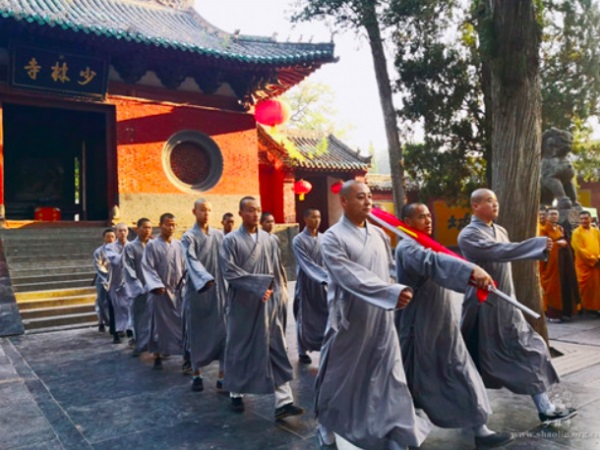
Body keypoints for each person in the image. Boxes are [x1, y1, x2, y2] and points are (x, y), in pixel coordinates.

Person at [315, 181, 431, 450]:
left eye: (369, 197)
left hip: (382, 317)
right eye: (360, 197)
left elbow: (389, 271)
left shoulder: (379, 235)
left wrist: (395, 293)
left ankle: (396, 433)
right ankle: (327, 425)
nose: (368, 202)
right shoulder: (332, 238)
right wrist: (390, 292)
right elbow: (350, 276)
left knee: (389, 375)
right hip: (350, 320)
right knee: (339, 378)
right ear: (343, 201)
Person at [396, 203, 513, 449]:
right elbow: (432, 262)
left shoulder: (426, 243)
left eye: (429, 215)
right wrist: (471, 269)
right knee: (411, 378)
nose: (428, 220)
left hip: (444, 324)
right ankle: (400, 434)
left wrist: (471, 275)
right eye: (421, 216)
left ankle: (480, 429)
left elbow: (441, 262)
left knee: (460, 370)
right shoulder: (408, 247)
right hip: (420, 326)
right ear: (407, 221)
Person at [458, 188, 576, 424]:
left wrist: (534, 248)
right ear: (475, 206)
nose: (495, 205)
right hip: (484, 308)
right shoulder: (468, 235)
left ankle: (545, 408)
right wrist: (535, 246)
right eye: (489, 201)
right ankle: (470, 414)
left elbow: (506, 252)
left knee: (532, 349)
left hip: (508, 306)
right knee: (472, 361)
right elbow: (499, 252)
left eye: (496, 200)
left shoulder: (500, 230)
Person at [219, 197, 303, 420]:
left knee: (275, 347)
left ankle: (284, 401)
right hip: (243, 305)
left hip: (269, 303)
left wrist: (278, 293)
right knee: (240, 348)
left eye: (258, 210)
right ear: (240, 213)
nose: (255, 214)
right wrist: (258, 286)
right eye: (250, 211)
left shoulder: (270, 239)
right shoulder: (230, 241)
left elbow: (276, 270)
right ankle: (236, 392)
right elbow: (229, 272)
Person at [181, 199, 227, 392]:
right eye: (202, 210)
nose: (206, 213)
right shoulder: (188, 237)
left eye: (209, 210)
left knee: (223, 333)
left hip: (219, 291)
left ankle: (222, 375)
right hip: (199, 291)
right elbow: (190, 260)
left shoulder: (219, 235)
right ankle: (197, 373)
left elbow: (227, 259)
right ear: (194, 211)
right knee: (197, 332)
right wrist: (204, 278)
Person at [142, 213, 185, 370]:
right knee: (158, 324)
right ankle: (158, 354)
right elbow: (147, 267)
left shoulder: (179, 245)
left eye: (173, 225)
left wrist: (184, 283)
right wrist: (155, 285)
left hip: (177, 290)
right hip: (159, 291)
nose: (171, 228)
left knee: (180, 322)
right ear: (160, 225)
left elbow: (184, 267)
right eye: (168, 224)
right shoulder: (152, 245)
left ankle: (181, 353)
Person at [292, 208, 328, 365]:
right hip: (307, 282)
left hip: (323, 284)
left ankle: (324, 346)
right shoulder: (298, 240)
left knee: (324, 315)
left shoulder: (324, 239)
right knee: (304, 315)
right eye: (313, 217)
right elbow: (305, 263)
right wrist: (324, 276)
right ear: (305, 219)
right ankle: (302, 350)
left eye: (319, 217)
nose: (317, 220)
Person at [539, 207, 580, 320]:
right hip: (551, 265)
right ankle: (553, 314)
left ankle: (564, 312)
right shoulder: (543, 229)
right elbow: (543, 245)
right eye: (551, 214)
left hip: (562, 263)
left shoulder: (559, 228)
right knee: (553, 287)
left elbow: (566, 241)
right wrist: (558, 244)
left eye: (556, 214)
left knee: (564, 285)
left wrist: (563, 243)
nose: (554, 216)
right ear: (547, 216)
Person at [123, 218, 153, 356]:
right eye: (144, 227)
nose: (147, 230)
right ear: (137, 229)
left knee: (154, 318)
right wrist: (138, 286)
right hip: (139, 288)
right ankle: (139, 343)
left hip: (154, 287)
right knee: (139, 317)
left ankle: (155, 345)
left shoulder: (153, 245)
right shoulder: (130, 247)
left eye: (150, 228)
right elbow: (129, 268)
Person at [260, 211, 289, 332]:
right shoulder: (259, 239)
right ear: (261, 223)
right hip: (266, 281)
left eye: (272, 221)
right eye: (267, 222)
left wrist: (284, 281)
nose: (271, 224)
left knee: (282, 311)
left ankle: (281, 341)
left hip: (278, 281)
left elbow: (279, 261)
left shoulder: (275, 238)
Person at [105, 223, 131, 344]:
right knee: (116, 307)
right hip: (115, 281)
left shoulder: (132, 245)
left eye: (124, 230)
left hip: (130, 281)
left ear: (128, 232)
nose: (122, 233)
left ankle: (130, 329)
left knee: (129, 306)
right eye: (120, 231)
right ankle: (117, 332)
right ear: (116, 233)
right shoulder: (110, 247)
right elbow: (115, 261)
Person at [571, 210, 600, 312]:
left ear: (590, 219)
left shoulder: (596, 231)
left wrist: (599, 257)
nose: (584, 221)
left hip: (597, 265)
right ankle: (583, 308)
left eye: (586, 218)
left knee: (596, 288)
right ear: (579, 220)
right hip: (584, 265)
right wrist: (593, 260)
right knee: (583, 288)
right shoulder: (576, 233)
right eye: (582, 219)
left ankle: (595, 307)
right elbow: (579, 250)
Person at [92, 229, 115, 332]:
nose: (110, 239)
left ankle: (114, 322)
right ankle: (102, 321)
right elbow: (98, 266)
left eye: (112, 237)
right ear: (104, 238)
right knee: (102, 301)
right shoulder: (99, 251)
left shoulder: (119, 249)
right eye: (108, 237)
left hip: (116, 278)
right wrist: (107, 276)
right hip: (102, 279)